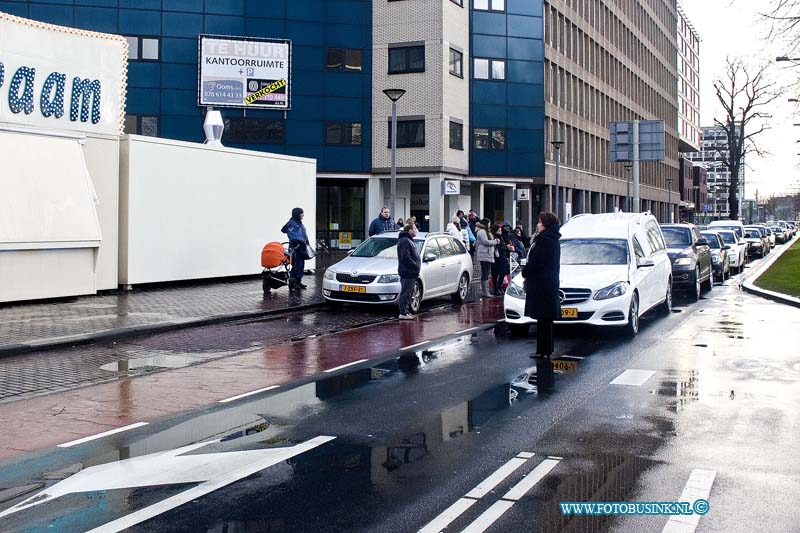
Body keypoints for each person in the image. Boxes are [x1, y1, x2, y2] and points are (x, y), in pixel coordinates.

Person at [522, 211, 561, 359]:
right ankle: (545, 349)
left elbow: (537, 262)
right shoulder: (552, 239)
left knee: (543, 319)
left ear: (546, 224)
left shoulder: (544, 240)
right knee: (545, 319)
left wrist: (525, 272)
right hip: (548, 283)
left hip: (542, 284)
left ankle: (543, 350)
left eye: (540, 222)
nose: (537, 225)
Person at [281, 207, 310, 290]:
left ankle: (298, 281)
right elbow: (291, 233)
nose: (303, 215)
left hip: (301, 248)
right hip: (296, 248)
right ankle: (293, 283)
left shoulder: (298, 222)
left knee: (301, 265)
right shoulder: (293, 223)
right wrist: (296, 243)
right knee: (296, 265)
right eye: (301, 213)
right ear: (297, 214)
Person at [397, 220, 421, 319]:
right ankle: (403, 312)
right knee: (406, 292)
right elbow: (405, 257)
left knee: (409, 292)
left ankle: (405, 311)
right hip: (407, 271)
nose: (416, 231)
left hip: (411, 272)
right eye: (415, 229)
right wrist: (415, 265)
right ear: (410, 230)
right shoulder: (405, 241)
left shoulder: (408, 240)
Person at [475, 218, 500, 297]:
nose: (490, 225)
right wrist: (495, 241)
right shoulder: (482, 231)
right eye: (489, 223)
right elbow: (485, 242)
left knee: (486, 273)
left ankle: (486, 291)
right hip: (484, 255)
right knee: (485, 273)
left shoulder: (486, 231)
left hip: (487, 254)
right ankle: (485, 292)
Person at [492, 223, 512, 295]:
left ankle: (499, 286)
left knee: (502, 273)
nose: (500, 232)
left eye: (500, 230)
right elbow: (497, 248)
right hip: (497, 258)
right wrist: (506, 247)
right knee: (495, 273)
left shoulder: (501, 238)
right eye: (499, 230)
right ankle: (496, 288)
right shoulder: (495, 238)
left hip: (503, 257)